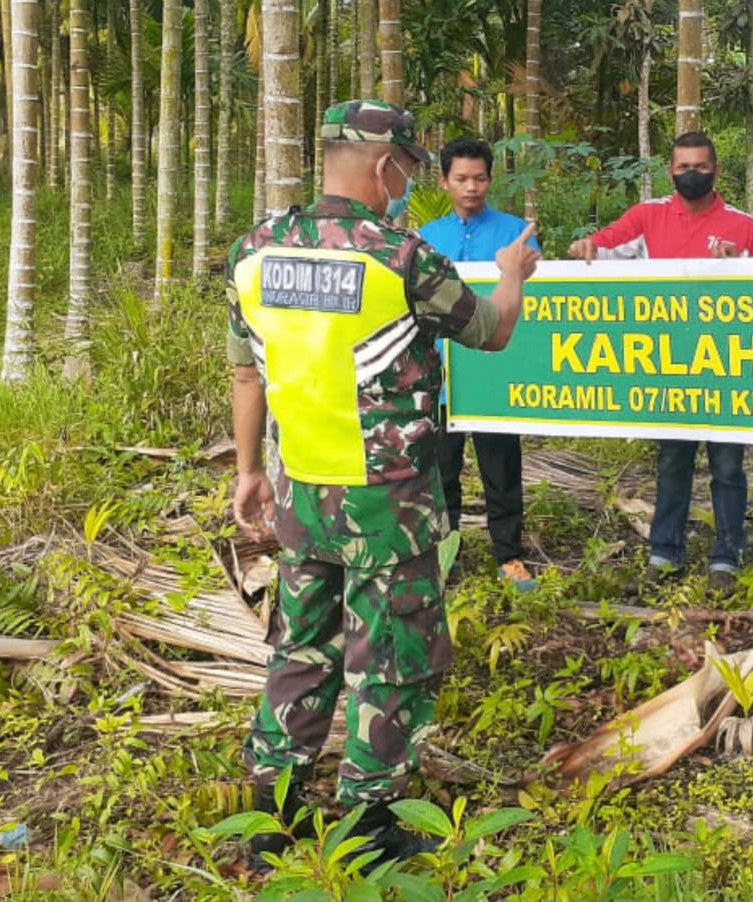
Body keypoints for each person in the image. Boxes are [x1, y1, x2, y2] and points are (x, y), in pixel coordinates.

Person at [225, 99, 540, 870]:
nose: (409, 185)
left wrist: (247, 472)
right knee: (392, 657)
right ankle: (370, 823)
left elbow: (245, 372)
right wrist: (511, 276)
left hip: (301, 491)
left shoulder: (256, 249)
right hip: (386, 503)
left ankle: (273, 817)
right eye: (409, 169)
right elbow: (492, 330)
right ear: (385, 165)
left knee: (300, 648)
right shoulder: (400, 259)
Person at [566, 132, 753, 595]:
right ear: (670, 170)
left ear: (716, 171)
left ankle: (727, 556)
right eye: (683, 167)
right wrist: (585, 247)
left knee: (728, 466)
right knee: (673, 459)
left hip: (727, 365)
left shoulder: (743, 225)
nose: (691, 174)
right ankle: (665, 552)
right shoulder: (648, 216)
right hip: (670, 366)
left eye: (700, 166)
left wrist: (737, 266)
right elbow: (604, 245)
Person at [418, 137, 543, 592]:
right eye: (461, 179)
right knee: (441, 469)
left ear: (491, 180)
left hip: (495, 372)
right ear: (444, 182)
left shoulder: (516, 233)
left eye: (480, 178)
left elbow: (541, 296)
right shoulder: (426, 237)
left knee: (501, 466)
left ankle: (509, 555)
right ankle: (445, 552)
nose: (471, 187)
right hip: (442, 374)